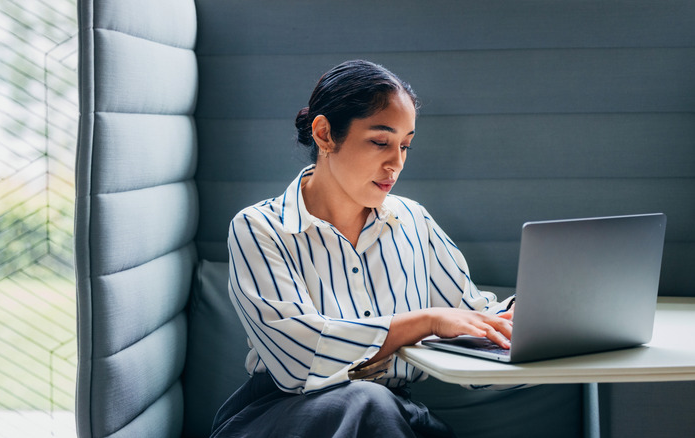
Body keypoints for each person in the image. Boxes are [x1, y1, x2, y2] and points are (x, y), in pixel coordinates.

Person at [212, 60, 515, 438]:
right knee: (366, 403)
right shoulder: (259, 228)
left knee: (380, 408)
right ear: (324, 134)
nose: (397, 163)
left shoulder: (413, 220)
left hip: (390, 415)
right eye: (380, 142)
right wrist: (425, 321)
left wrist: (524, 317)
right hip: (283, 415)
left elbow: (474, 323)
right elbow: (300, 360)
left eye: (405, 145)